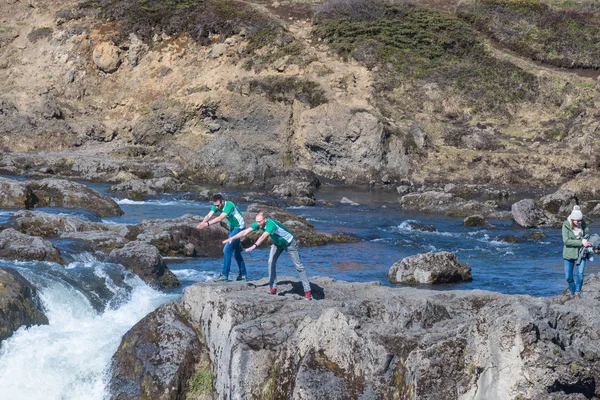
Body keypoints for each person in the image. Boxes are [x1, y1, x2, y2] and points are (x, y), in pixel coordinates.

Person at [223, 211, 312, 300]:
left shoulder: (271, 224)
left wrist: (254, 246)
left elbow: (263, 236)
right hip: (277, 243)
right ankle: (273, 288)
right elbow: (245, 231)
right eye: (257, 221)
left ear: (265, 219)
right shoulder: (259, 224)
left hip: (289, 243)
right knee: (270, 262)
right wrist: (232, 237)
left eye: (259, 221)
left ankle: (307, 292)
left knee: (298, 266)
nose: (258, 224)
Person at [196, 193, 247, 282]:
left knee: (226, 250)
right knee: (236, 252)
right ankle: (243, 275)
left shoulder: (229, 205)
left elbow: (220, 218)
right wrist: (202, 223)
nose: (216, 207)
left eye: (218, 205)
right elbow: (208, 215)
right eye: (215, 205)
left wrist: (207, 224)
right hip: (232, 228)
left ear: (222, 201)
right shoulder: (216, 205)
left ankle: (225, 275)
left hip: (239, 228)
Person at [562, 205, 591, 299]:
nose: (579, 222)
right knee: (568, 277)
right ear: (572, 219)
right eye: (577, 221)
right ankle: (573, 291)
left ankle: (577, 293)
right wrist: (581, 242)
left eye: (581, 220)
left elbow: (587, 234)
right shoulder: (565, 225)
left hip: (581, 253)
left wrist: (588, 241)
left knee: (580, 274)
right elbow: (566, 241)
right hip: (569, 254)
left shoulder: (583, 224)